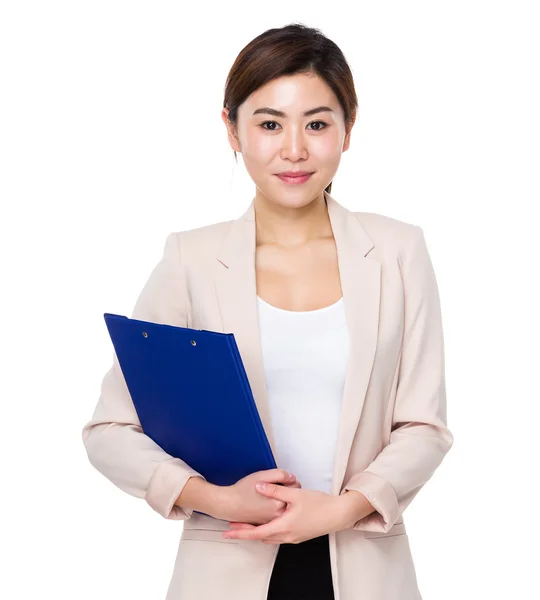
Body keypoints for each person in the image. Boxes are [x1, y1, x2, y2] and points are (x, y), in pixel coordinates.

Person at [81, 22, 454, 600]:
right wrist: (216, 497)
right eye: (270, 124)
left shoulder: (398, 252)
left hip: (363, 568)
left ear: (349, 129)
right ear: (231, 128)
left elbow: (422, 426)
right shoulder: (191, 260)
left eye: (317, 123)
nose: (295, 149)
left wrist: (337, 510)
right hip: (226, 566)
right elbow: (110, 430)